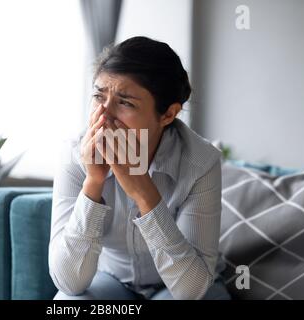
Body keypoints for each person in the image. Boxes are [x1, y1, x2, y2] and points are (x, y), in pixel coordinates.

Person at [48, 36, 231, 300]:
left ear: (168, 114)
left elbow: (191, 291)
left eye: (125, 102)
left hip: (182, 286)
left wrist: (144, 192)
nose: (105, 114)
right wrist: (93, 182)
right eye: (99, 96)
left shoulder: (201, 162)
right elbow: (69, 282)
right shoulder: (75, 153)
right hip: (111, 282)